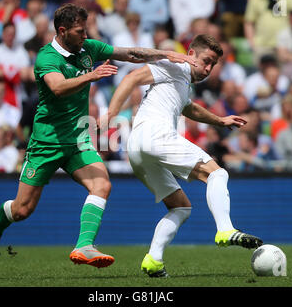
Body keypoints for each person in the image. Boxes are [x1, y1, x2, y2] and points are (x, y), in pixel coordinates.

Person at [0, 3, 197, 268]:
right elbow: (58, 87)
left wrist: (164, 53)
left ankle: (84, 246)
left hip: (79, 139)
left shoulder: (87, 48)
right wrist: (92, 76)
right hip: (47, 142)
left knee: (102, 185)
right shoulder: (47, 57)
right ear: (62, 31)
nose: (86, 36)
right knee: (22, 210)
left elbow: (130, 53)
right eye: (80, 31)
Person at [98, 34, 263, 277]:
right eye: (206, 61)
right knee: (217, 174)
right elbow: (133, 77)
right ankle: (225, 229)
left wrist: (219, 120)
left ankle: (153, 260)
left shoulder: (181, 79)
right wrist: (110, 114)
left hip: (138, 147)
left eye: (213, 65)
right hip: (156, 135)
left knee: (180, 207)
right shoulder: (174, 64)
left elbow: (188, 107)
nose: (208, 68)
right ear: (191, 54)